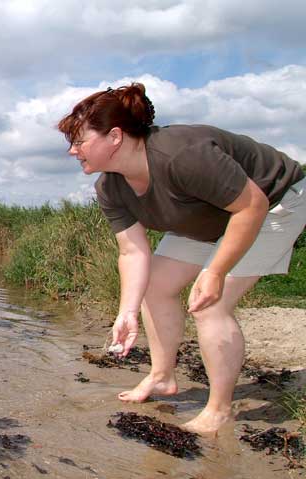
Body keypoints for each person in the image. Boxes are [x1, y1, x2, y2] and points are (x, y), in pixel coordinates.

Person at [57, 83, 306, 435]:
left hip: (274, 202)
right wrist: (126, 312)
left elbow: (252, 205)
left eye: (79, 141)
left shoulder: (182, 156)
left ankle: (219, 410)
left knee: (208, 303)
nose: (72, 151)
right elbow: (133, 251)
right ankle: (161, 377)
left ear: (115, 136)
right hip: (211, 216)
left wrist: (216, 271)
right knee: (154, 287)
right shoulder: (109, 187)